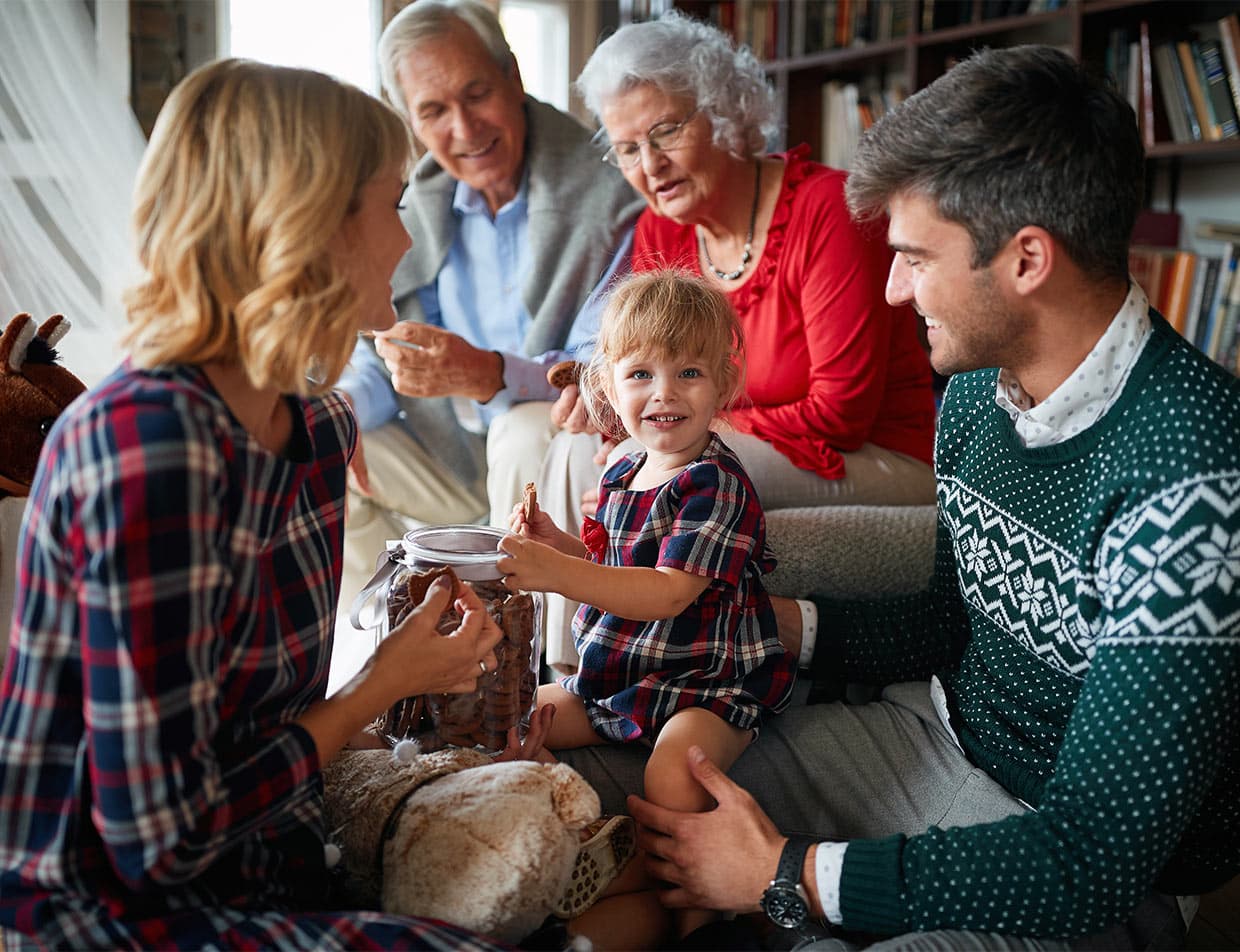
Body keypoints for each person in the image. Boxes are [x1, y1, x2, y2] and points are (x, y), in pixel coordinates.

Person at [557, 44, 1240, 950]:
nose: (892, 286)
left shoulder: (1195, 476)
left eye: (915, 256)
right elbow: (955, 622)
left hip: (1073, 869)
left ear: (1028, 258)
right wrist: (768, 622)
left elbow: (1090, 858)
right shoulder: (976, 393)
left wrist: (784, 875)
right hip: (927, 738)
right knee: (586, 787)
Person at [0, 58, 541, 951]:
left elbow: (274, 726)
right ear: (307, 226)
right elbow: (157, 845)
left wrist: (447, 736)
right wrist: (379, 685)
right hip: (106, 915)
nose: (406, 243)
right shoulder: (144, 447)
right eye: (391, 205)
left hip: (279, 864)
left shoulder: (319, 429)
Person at [538, 11, 937, 672]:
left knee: (663, 468)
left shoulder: (828, 210)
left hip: (875, 457)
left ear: (725, 114)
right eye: (627, 147)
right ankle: (567, 674)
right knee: (584, 450)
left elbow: (841, 415)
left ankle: (609, 676)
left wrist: (663, 442)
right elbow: (647, 371)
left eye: (666, 130)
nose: (650, 164)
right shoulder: (661, 233)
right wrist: (614, 413)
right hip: (749, 435)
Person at [500, 269, 795, 940]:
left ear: (724, 384)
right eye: (640, 375)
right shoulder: (618, 468)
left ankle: (699, 919)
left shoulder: (716, 482)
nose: (663, 393)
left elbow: (666, 592)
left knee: (673, 769)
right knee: (521, 710)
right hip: (620, 676)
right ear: (607, 385)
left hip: (706, 683)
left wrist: (555, 575)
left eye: (688, 372)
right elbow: (614, 569)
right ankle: (582, 845)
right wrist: (563, 549)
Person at [336, 0, 645, 618]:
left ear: (514, 76)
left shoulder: (607, 186)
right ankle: (388, 652)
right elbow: (375, 349)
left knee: (520, 427)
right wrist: (341, 408)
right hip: (449, 449)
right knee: (330, 444)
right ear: (411, 121)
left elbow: (609, 359)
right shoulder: (411, 205)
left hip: (558, 434)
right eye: (433, 111)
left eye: (477, 93)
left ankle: (514, 662)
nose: (464, 128)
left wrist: (493, 375)